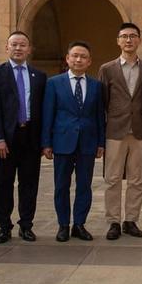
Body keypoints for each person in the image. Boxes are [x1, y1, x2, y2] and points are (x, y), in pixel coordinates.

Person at [0, 31, 47, 244]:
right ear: (7, 48)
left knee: (29, 184)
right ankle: (3, 226)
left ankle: (26, 225)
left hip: (30, 136)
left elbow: (43, 110)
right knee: (4, 183)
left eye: (22, 45)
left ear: (29, 49)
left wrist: (44, 141)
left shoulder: (39, 76)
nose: (18, 48)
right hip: (7, 139)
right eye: (14, 44)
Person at [42, 41, 106, 241]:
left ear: (89, 61)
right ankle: (63, 225)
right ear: (68, 59)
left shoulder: (96, 86)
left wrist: (101, 143)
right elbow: (48, 114)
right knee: (61, 185)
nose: (79, 59)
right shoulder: (54, 83)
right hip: (62, 142)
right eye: (75, 56)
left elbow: (99, 116)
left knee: (84, 185)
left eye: (83, 57)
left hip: (88, 142)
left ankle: (79, 224)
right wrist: (46, 143)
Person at [98, 22, 142, 240]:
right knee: (112, 178)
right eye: (124, 36)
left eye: (133, 36)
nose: (129, 40)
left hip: (139, 130)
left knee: (138, 178)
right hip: (115, 131)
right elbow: (102, 102)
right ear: (118, 41)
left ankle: (131, 220)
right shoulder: (107, 69)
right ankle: (113, 222)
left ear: (139, 40)